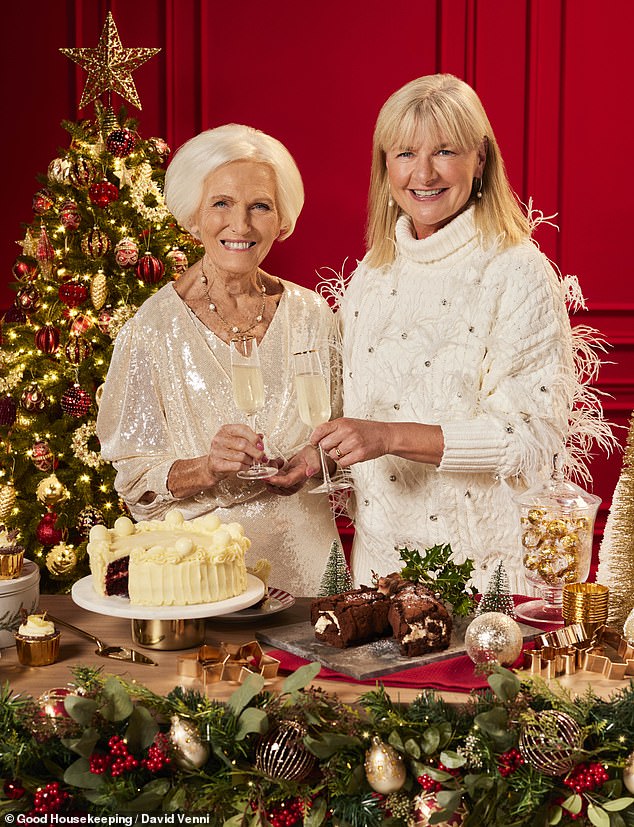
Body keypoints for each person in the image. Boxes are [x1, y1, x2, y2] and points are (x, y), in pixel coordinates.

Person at [311, 74, 610, 594]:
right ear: (385, 167)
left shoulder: (517, 271)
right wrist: (310, 461)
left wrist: (389, 435)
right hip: (379, 572)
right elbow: (350, 418)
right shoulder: (372, 274)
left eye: (445, 151)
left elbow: (530, 438)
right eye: (404, 153)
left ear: (481, 161)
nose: (422, 173)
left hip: (486, 579)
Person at [96, 124, 341, 596]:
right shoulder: (151, 329)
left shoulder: (314, 315)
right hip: (202, 580)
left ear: (281, 219)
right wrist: (208, 466)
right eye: (222, 203)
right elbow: (134, 477)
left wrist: (315, 459)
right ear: (194, 215)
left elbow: (348, 428)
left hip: (313, 572)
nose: (241, 225)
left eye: (260, 206)